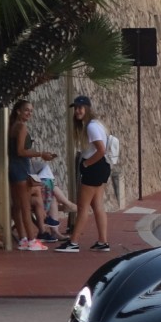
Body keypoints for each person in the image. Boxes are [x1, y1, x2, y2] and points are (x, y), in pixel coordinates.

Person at [57, 95, 111, 253]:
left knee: (82, 207)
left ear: (87, 108)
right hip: (101, 167)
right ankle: (103, 241)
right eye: (76, 108)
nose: (78, 111)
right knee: (97, 206)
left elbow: (101, 150)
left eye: (81, 108)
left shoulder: (91, 127)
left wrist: (86, 164)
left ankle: (73, 242)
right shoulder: (96, 124)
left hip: (94, 167)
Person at [8, 99, 57, 251]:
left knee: (17, 206)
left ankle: (23, 239)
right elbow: (21, 151)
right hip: (21, 168)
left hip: (13, 167)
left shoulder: (12, 126)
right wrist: (41, 154)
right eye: (26, 110)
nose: (29, 113)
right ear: (18, 111)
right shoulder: (21, 127)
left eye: (31, 111)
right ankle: (31, 240)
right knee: (25, 206)